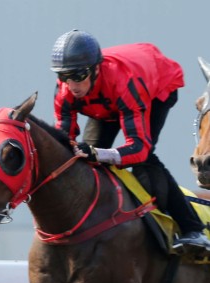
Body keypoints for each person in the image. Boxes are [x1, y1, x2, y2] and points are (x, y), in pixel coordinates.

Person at [51, 29, 210, 253]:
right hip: (108, 101)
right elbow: (65, 144)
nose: (71, 84)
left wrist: (100, 153)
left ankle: (193, 230)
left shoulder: (125, 83)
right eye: (63, 76)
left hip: (156, 87)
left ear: (96, 69)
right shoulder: (65, 91)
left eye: (78, 76)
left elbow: (138, 148)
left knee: (144, 163)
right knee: (84, 163)